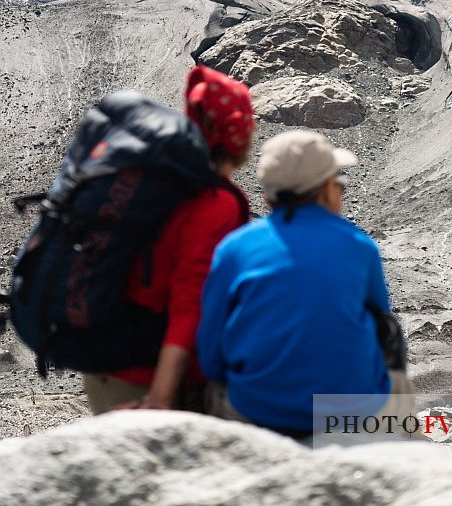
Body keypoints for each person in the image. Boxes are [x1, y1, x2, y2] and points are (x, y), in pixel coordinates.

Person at [198, 129, 411, 439]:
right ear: (326, 190)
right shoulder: (359, 246)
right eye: (339, 183)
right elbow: (384, 328)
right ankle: (402, 439)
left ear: (267, 196)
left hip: (258, 411)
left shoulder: (233, 248)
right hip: (349, 413)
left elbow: (210, 353)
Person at [84, 64, 255, 414]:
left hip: (106, 362)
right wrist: (161, 397)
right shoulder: (215, 203)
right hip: (150, 377)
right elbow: (189, 302)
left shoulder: (156, 178)